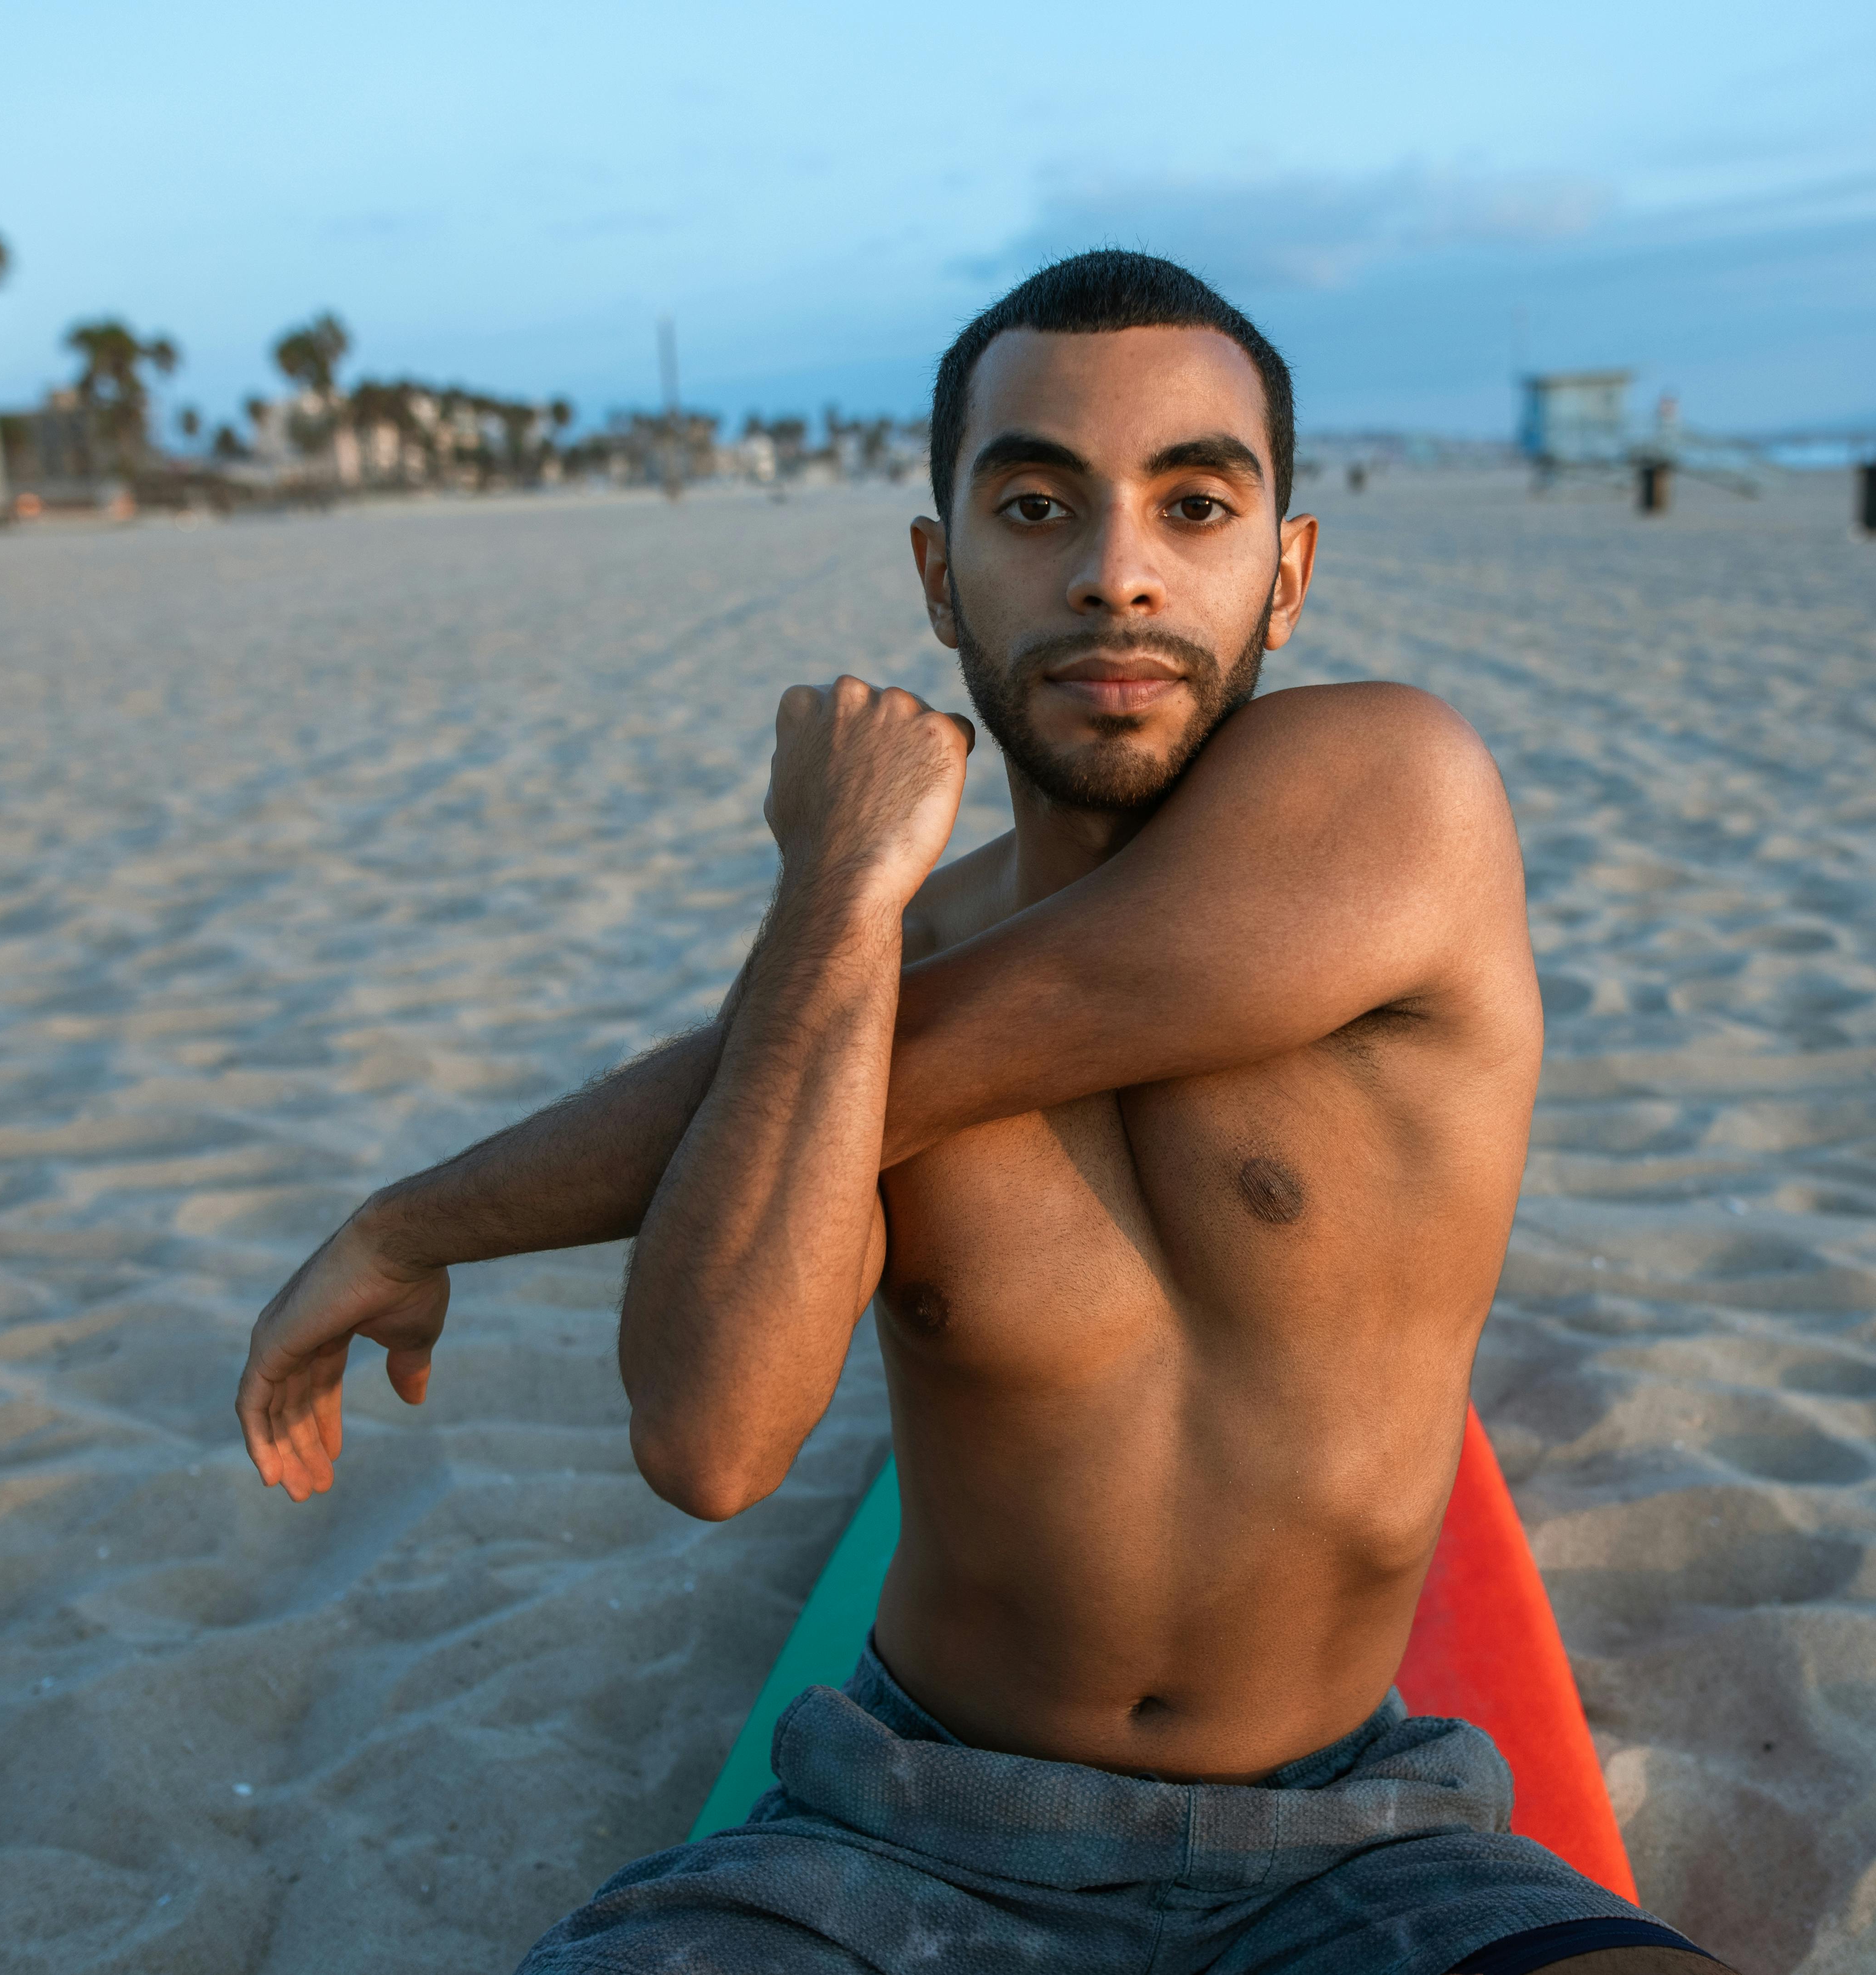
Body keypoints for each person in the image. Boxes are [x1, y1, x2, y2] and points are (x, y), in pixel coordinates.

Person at [236, 251, 1729, 1975]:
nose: (1117, 574)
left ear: (1289, 570)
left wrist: (418, 1219)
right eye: (1038, 503)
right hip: (902, 1826)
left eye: (1195, 504)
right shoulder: (861, 967)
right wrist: (842, 886)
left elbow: (916, 1046)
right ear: (940, 576)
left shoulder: (1396, 793)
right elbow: (707, 1442)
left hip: (1361, 1841)